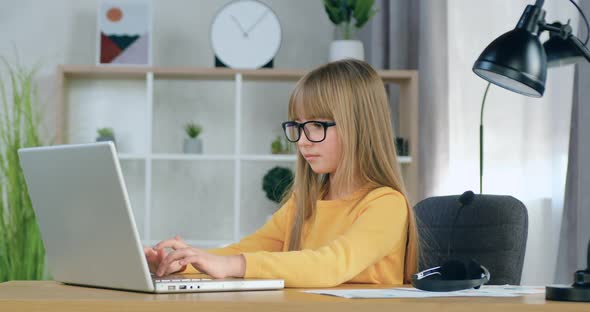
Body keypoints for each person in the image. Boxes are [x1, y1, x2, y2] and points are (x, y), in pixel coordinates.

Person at [145, 59, 419, 287]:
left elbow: (331, 264)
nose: (302, 140)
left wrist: (232, 265)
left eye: (317, 125)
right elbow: (247, 250)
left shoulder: (386, 204)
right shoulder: (305, 201)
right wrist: (181, 262)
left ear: (360, 127)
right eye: (298, 126)